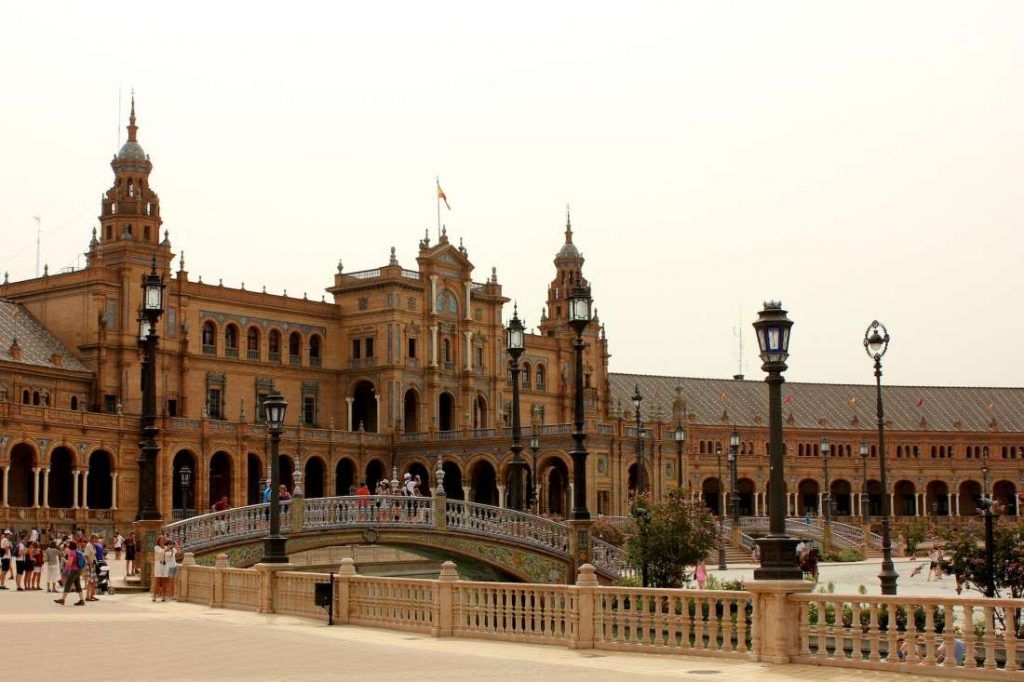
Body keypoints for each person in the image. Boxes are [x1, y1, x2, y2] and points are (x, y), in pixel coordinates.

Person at [53, 541, 85, 606]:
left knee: (67, 584)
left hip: (73, 571)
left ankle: (62, 599)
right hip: (78, 570)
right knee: (78, 585)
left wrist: (64, 560)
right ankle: (82, 600)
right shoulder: (77, 552)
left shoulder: (72, 553)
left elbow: (69, 563)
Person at [152, 537, 170, 602]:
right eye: (160, 541)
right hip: (158, 564)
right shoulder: (156, 547)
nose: (162, 542)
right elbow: (159, 553)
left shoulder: (166, 548)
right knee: (157, 581)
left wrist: (171, 550)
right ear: (158, 541)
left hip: (165, 565)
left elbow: (169, 556)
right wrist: (166, 549)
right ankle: (154, 596)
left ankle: (163, 596)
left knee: (164, 581)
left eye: (163, 541)